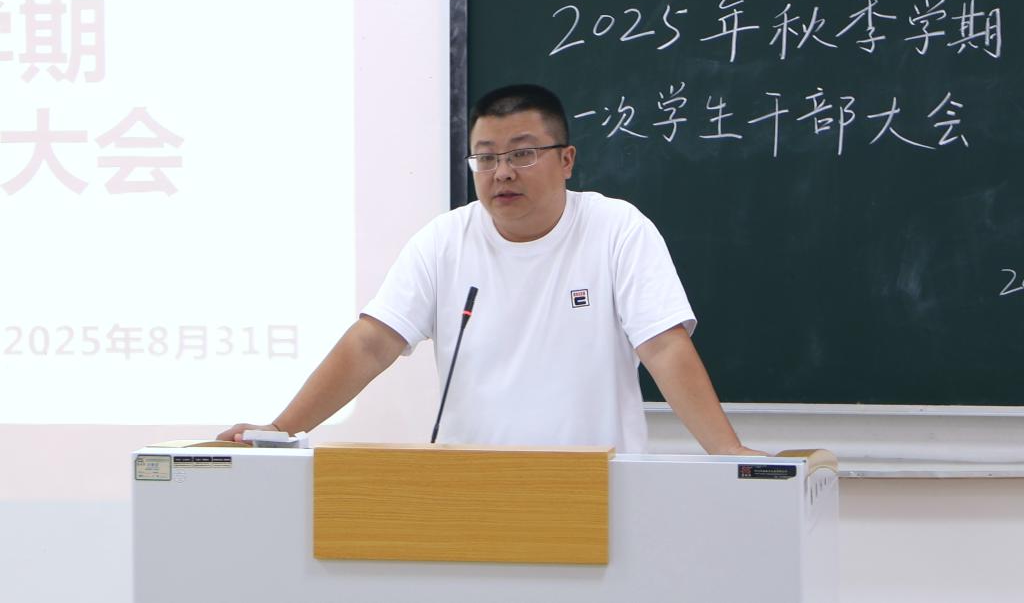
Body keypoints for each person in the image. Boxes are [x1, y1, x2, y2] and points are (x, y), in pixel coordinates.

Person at [219, 84, 761, 455]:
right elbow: (371, 343)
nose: (502, 172)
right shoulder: (444, 240)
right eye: (486, 157)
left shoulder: (617, 230)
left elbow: (663, 347)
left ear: (566, 160)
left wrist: (729, 453)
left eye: (522, 154)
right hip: (473, 492)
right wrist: (281, 430)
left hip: (598, 490)